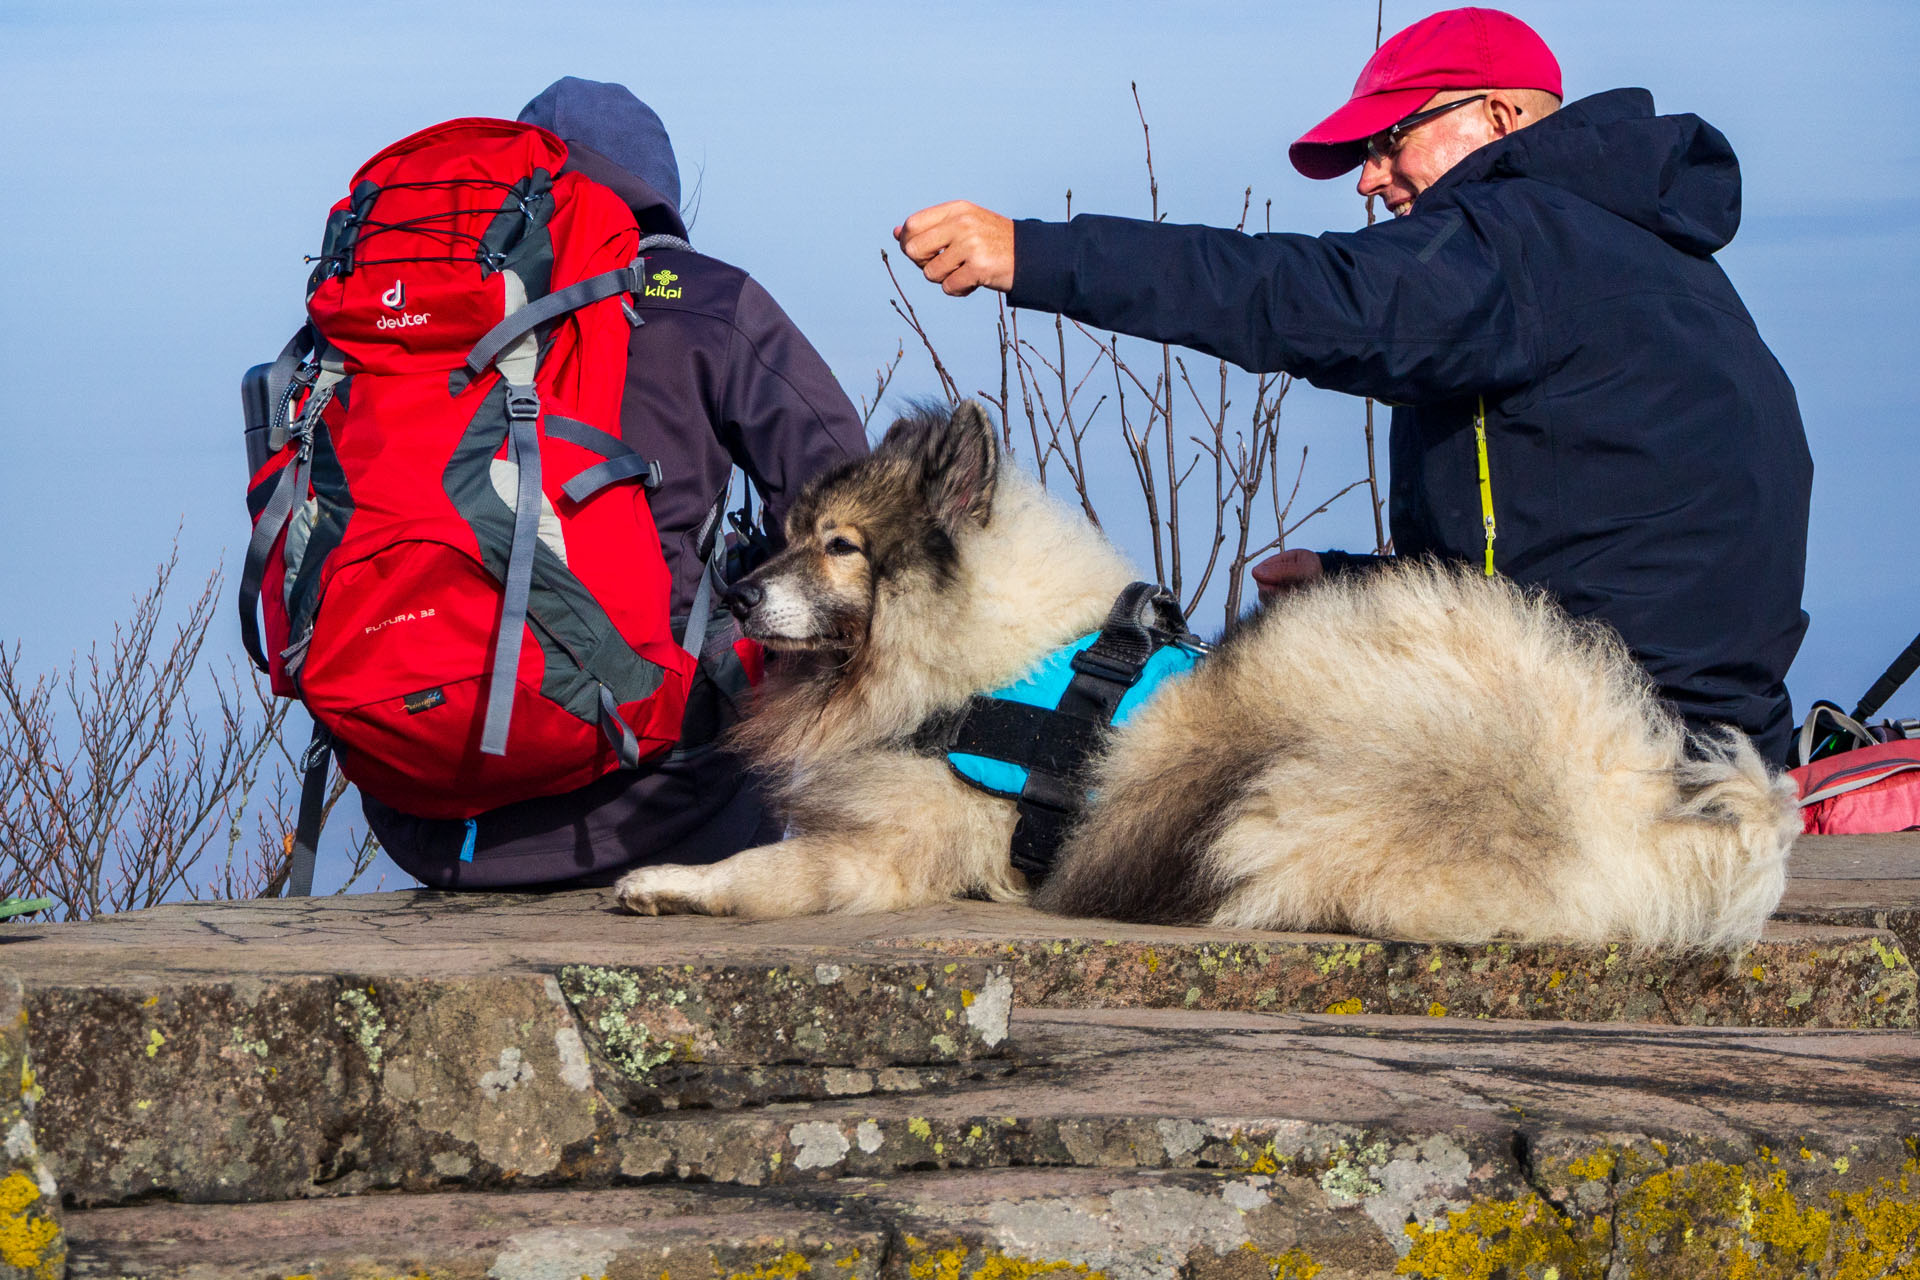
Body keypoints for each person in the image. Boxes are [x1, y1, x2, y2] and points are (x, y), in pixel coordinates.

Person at [893, 7, 1812, 764]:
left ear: (1495, 119)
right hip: (1716, 755)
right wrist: (1355, 584)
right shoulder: (1658, 268)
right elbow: (1599, 551)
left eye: (1389, 140)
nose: (1371, 180)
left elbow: (1301, 296)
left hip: (1600, 754)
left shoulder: (1517, 235)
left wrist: (1040, 255)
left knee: (1179, 779)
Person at [363, 78, 869, 888]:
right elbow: (859, 522)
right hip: (664, 805)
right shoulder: (707, 303)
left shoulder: (402, 311)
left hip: (423, 805)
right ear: (657, 193)